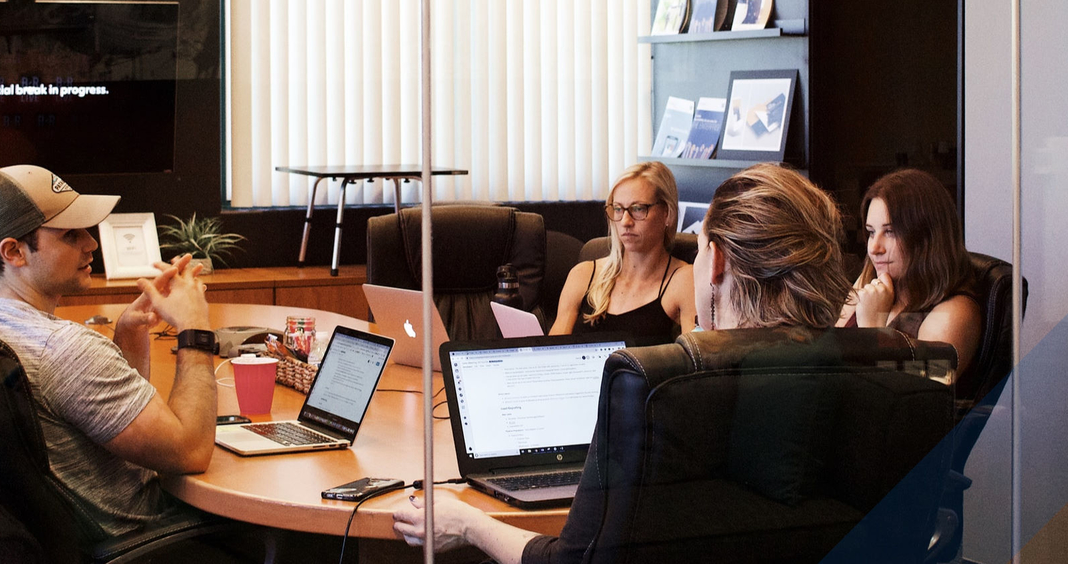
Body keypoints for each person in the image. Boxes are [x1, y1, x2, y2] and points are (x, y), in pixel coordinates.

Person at [394, 163, 853, 562]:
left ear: (714, 264)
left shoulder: (658, 395)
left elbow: (573, 559)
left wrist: (467, 523)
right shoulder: (884, 370)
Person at [0, 164, 221, 541]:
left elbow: (105, 418)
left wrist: (129, 332)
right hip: (152, 537)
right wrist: (195, 329)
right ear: (14, 251)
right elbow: (191, 452)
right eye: (70, 235)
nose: (91, 243)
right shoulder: (64, 350)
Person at [839, 168, 982, 374]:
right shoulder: (872, 279)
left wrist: (872, 330)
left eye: (890, 232)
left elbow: (914, 399)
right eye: (871, 232)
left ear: (927, 237)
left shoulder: (955, 313)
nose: (874, 248)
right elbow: (830, 358)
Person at [548, 161, 695, 337]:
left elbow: (698, 360)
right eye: (618, 209)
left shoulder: (685, 280)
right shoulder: (583, 274)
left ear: (667, 213)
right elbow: (553, 356)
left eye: (638, 209)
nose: (625, 221)